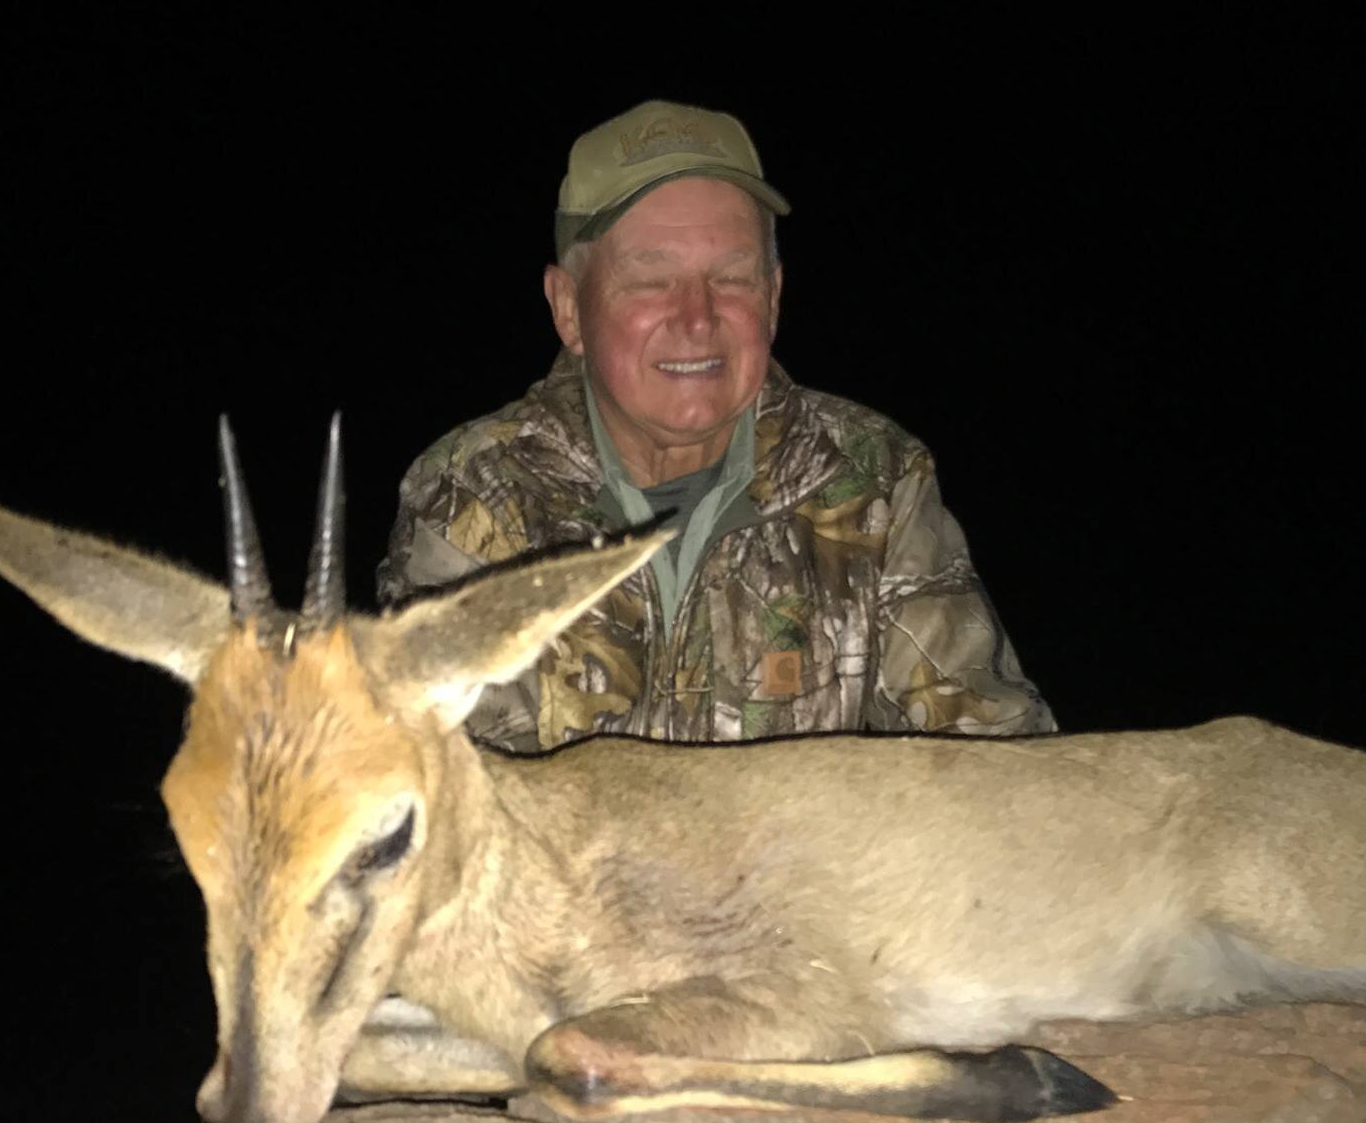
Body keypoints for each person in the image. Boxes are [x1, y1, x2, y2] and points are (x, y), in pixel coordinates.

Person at [378, 99, 1055, 752]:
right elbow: (436, 792)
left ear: (775, 297)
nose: (698, 318)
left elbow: (992, 756)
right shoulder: (471, 496)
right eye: (651, 281)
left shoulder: (873, 480)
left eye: (732, 277)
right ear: (568, 309)